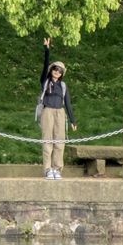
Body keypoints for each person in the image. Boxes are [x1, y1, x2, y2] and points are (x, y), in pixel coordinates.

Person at [40, 37, 76, 179]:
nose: (57, 72)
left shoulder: (63, 86)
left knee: (60, 141)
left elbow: (67, 103)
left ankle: (57, 168)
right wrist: (47, 50)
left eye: (60, 70)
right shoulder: (45, 81)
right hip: (47, 111)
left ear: (62, 73)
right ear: (51, 70)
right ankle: (48, 169)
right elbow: (44, 66)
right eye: (55, 69)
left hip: (60, 113)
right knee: (47, 141)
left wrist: (73, 120)